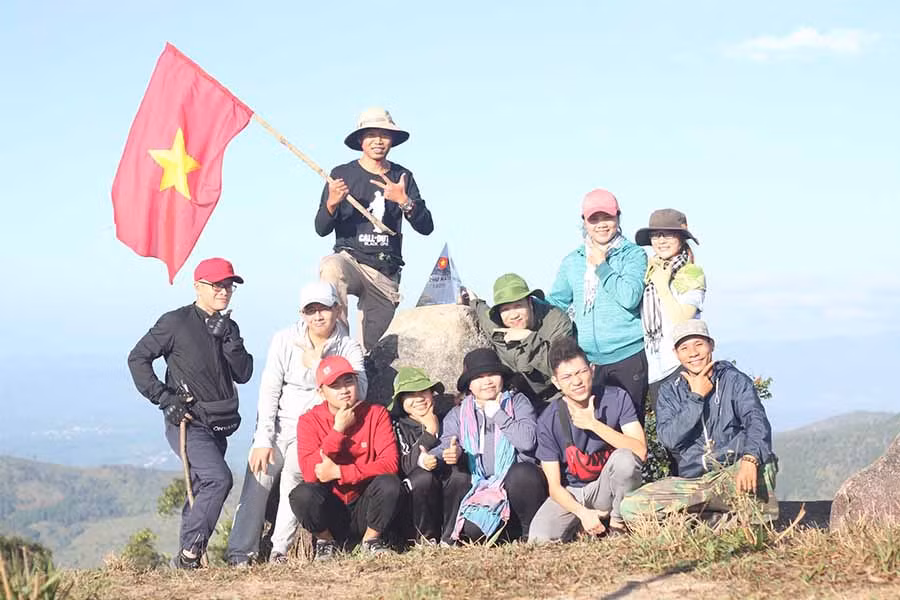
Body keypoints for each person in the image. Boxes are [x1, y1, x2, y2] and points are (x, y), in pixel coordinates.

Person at [226, 281, 366, 566]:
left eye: (324, 309)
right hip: (280, 425)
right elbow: (270, 389)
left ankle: (279, 550)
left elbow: (360, 389)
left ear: (337, 309)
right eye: (310, 310)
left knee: (294, 475)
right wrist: (263, 438)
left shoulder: (348, 346)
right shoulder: (284, 339)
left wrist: (319, 362)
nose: (317, 316)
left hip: (316, 429)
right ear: (301, 314)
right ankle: (239, 554)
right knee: (257, 480)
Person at [127, 258, 253, 569]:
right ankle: (189, 555)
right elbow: (138, 358)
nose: (224, 290)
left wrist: (229, 340)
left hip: (220, 423)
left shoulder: (229, 327)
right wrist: (164, 398)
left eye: (229, 285)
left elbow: (244, 372)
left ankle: (186, 566)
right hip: (188, 422)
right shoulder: (176, 322)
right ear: (198, 287)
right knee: (217, 479)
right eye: (217, 285)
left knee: (200, 488)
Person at [619, 320, 779, 524]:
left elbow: (756, 421)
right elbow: (668, 438)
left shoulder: (735, 381)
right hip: (693, 484)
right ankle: (721, 517)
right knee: (631, 506)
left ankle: (706, 518)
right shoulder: (670, 391)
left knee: (765, 467)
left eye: (699, 344)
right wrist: (696, 397)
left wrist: (750, 459)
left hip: (730, 474)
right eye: (684, 348)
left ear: (711, 345)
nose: (693, 353)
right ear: (676, 354)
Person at [315, 107, 435, 351]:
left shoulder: (403, 176)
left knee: (378, 349)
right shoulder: (342, 174)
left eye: (384, 135)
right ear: (361, 140)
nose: (378, 141)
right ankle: (338, 347)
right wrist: (332, 203)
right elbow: (321, 227)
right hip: (351, 260)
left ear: (392, 140)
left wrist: (404, 201)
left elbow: (426, 227)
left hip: (385, 271)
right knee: (331, 267)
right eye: (371, 134)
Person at [529, 337, 646, 542]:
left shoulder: (617, 397)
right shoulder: (548, 420)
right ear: (556, 382)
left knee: (625, 459)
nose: (577, 382)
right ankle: (586, 527)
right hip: (574, 492)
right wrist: (582, 513)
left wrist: (593, 424)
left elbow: (640, 451)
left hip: (609, 485)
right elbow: (555, 487)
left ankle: (619, 524)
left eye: (581, 372)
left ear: (592, 369)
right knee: (539, 537)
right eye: (567, 377)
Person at [548, 189, 649, 422]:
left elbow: (630, 296)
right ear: (584, 221)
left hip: (629, 356)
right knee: (596, 426)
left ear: (618, 218)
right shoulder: (573, 261)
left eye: (607, 217)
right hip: (589, 362)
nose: (601, 224)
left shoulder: (633, 255)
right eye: (594, 219)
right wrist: (524, 306)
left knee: (630, 426)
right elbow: (557, 302)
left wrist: (602, 266)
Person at [288, 355, 401, 559]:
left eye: (349, 381)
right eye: (334, 385)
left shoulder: (376, 414)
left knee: (390, 484)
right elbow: (311, 473)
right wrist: (337, 431)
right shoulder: (309, 421)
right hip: (332, 507)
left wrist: (341, 472)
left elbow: (390, 464)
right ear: (321, 392)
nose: (344, 390)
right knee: (301, 495)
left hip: (366, 503)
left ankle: (371, 541)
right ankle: (326, 542)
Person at [429, 348, 547, 543]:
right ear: (469, 385)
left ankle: (530, 531)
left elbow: (527, 442)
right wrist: (439, 455)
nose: (487, 381)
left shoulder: (517, 402)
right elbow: (444, 444)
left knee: (522, 474)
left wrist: (498, 414)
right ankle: (507, 531)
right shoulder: (459, 413)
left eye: (492, 374)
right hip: (484, 488)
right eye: (478, 377)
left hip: (519, 486)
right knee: (473, 531)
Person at [635, 209, 706, 414]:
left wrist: (663, 287)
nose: (661, 240)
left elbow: (682, 320)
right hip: (655, 368)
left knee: (690, 432)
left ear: (682, 238)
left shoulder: (691, 273)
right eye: (656, 235)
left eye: (668, 234)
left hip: (682, 363)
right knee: (668, 435)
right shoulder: (650, 271)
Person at [389, 367, 471, 544]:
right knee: (422, 478)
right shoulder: (396, 426)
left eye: (423, 391)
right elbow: (404, 465)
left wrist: (457, 454)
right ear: (400, 400)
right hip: (413, 502)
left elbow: (463, 447)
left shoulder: (448, 418)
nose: (419, 399)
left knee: (460, 475)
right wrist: (430, 433)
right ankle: (424, 539)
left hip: (446, 491)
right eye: (410, 394)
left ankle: (451, 537)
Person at [471, 273, 574, 407]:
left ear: (530, 302)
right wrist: (473, 301)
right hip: (519, 399)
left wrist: (529, 338)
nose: (513, 315)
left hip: (557, 396)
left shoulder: (556, 321)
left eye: (518, 306)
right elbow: (482, 312)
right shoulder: (495, 325)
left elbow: (563, 368)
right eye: (506, 309)